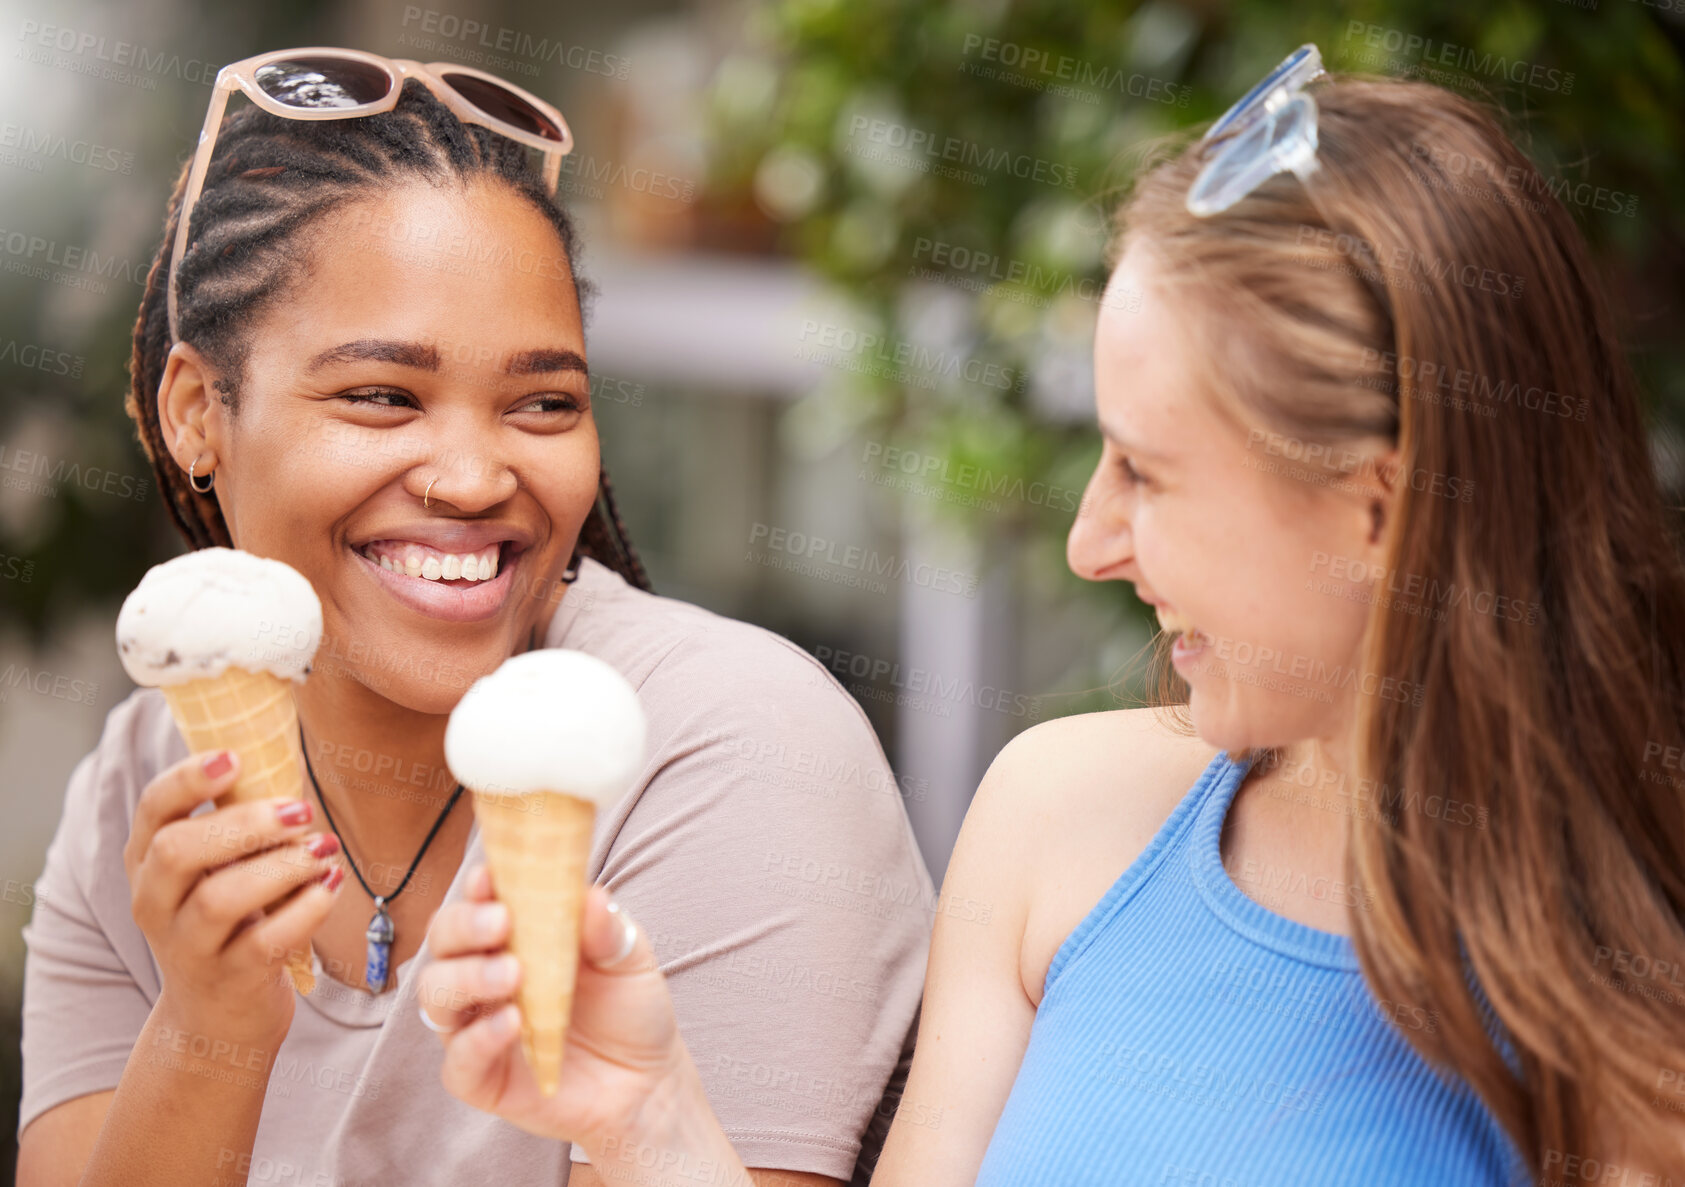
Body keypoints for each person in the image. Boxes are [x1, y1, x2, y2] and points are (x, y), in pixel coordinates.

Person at [415, 48, 1685, 1185]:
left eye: (1148, 469)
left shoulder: (1639, 1016)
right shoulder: (1057, 820)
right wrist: (649, 1122)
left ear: (1379, 512)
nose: (1091, 541)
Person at [16, 51, 932, 1187]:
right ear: (200, 413)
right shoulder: (143, 784)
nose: (469, 476)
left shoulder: (727, 743)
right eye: (382, 395)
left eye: (542, 403)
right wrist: (214, 1025)